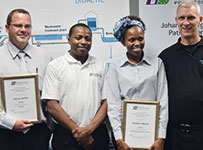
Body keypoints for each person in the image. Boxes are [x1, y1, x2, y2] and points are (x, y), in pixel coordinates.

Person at [41, 23, 109, 150]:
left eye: (87, 38)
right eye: (78, 38)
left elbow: (106, 102)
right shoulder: (55, 66)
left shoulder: (101, 66)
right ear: (69, 40)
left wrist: (88, 130)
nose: (83, 42)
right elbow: (52, 106)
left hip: (96, 134)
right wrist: (79, 133)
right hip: (66, 135)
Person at [107, 16, 168, 150]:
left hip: (152, 136)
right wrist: (119, 139)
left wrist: (161, 138)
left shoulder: (157, 64)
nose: (137, 43)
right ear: (123, 42)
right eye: (131, 40)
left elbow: (163, 102)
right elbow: (113, 105)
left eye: (140, 38)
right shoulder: (115, 67)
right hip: (125, 137)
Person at [0, 9, 51, 150]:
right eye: (18, 25)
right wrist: (10, 123)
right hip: (5, 133)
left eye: (27, 26)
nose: (23, 30)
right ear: (7, 28)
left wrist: (49, 128)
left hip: (38, 133)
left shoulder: (44, 57)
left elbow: (50, 95)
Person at [159, 1, 203, 150]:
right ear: (176, 21)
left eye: (191, 18)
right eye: (182, 18)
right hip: (173, 136)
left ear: (200, 20)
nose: (186, 23)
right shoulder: (165, 57)